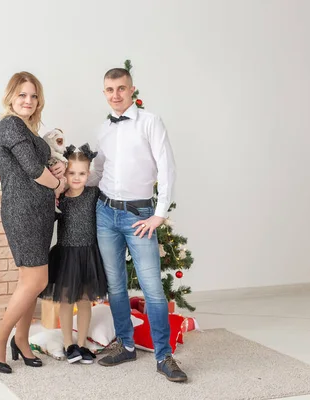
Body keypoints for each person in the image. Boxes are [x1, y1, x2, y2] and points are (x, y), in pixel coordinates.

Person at [88, 68, 187, 382]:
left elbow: (166, 168)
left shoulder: (150, 122)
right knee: (115, 285)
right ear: (104, 93)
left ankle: (163, 356)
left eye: (120, 88)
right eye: (109, 89)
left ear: (131, 90)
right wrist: (70, 182)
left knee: (153, 289)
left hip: (139, 216)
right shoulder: (103, 128)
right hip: (105, 213)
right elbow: (97, 170)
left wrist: (159, 214)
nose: (115, 95)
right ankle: (126, 345)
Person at [0, 71, 66, 374]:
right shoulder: (10, 125)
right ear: (11, 97)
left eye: (33, 96)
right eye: (22, 95)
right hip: (23, 211)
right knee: (36, 281)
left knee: (29, 283)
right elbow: (32, 169)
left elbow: (38, 163)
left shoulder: (27, 129)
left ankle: (22, 340)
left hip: (39, 212)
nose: (28, 100)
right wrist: (56, 185)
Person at [40, 144, 108, 364]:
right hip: (67, 256)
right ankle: (69, 343)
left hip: (88, 255)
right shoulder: (60, 197)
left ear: (88, 174)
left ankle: (82, 343)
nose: (76, 178)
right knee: (67, 301)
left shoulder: (94, 194)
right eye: (72, 173)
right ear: (65, 173)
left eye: (81, 173)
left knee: (86, 300)